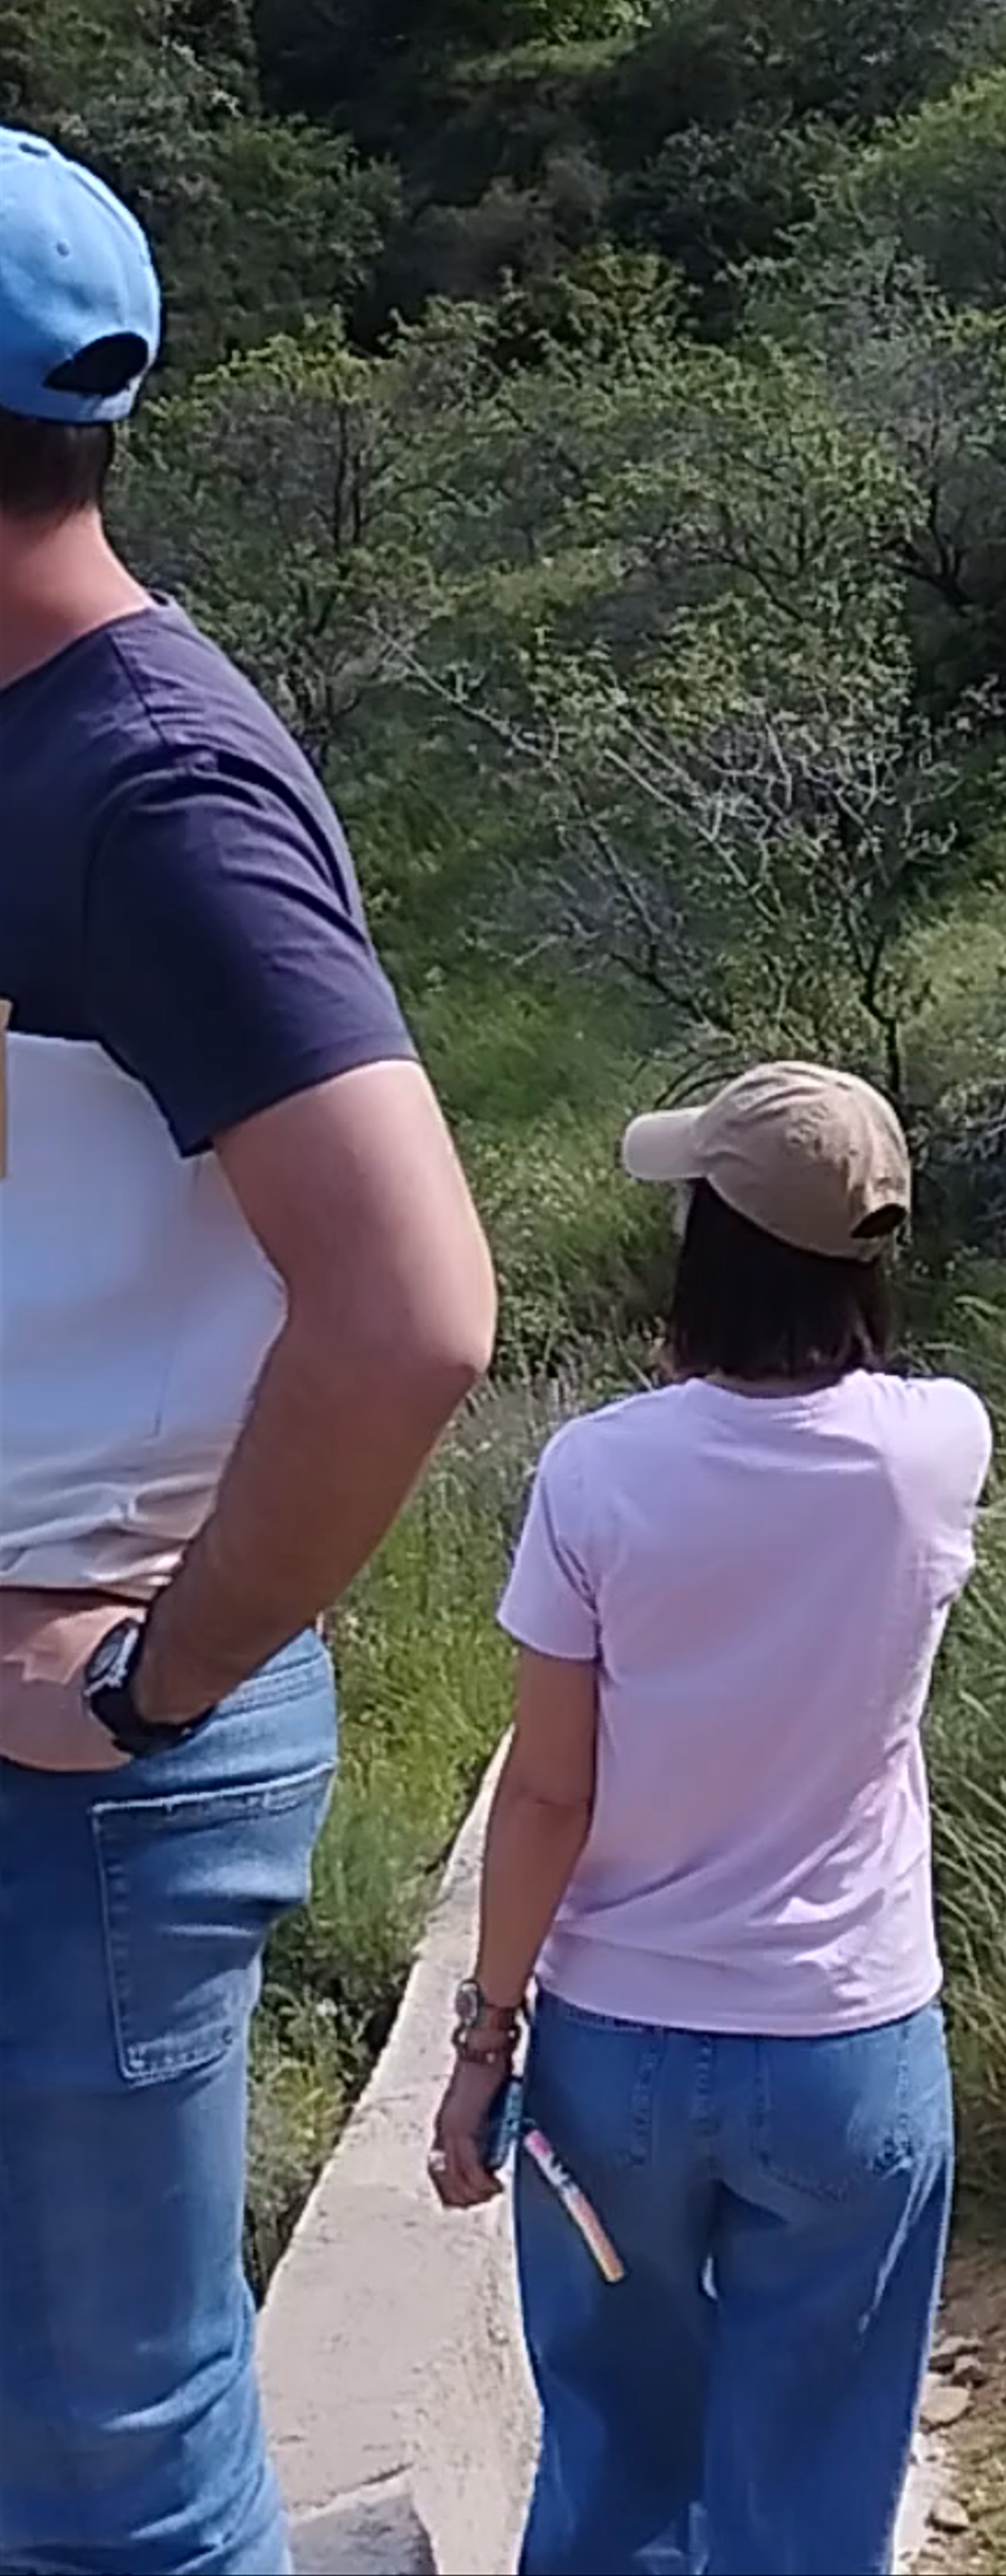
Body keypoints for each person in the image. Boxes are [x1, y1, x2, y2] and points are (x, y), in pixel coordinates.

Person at [0, 126, 499, 2576]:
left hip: (73, 1767)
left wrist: (152, 1683)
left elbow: (412, 1307)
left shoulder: (148, 786)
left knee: (105, 2469)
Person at [427, 1062, 991, 2576]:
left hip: (620, 2056)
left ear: (710, 1246)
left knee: (615, 2459)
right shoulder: (939, 1446)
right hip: (849, 2051)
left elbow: (550, 1788)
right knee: (809, 2485)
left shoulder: (597, 1472)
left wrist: (488, 2039)